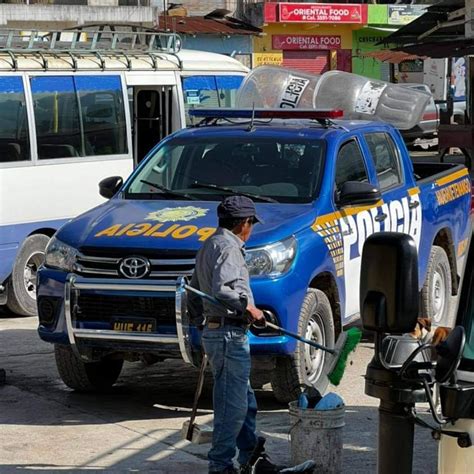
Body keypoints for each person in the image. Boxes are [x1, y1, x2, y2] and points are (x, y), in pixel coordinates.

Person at [188, 196, 315, 474]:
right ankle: (220, 466)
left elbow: (194, 291)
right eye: (250, 225)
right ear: (244, 223)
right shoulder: (229, 248)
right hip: (227, 336)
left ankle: (252, 458)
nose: (251, 230)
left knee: (245, 403)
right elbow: (223, 290)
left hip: (219, 332)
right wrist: (250, 308)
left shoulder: (209, 244)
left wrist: (203, 324)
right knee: (231, 407)